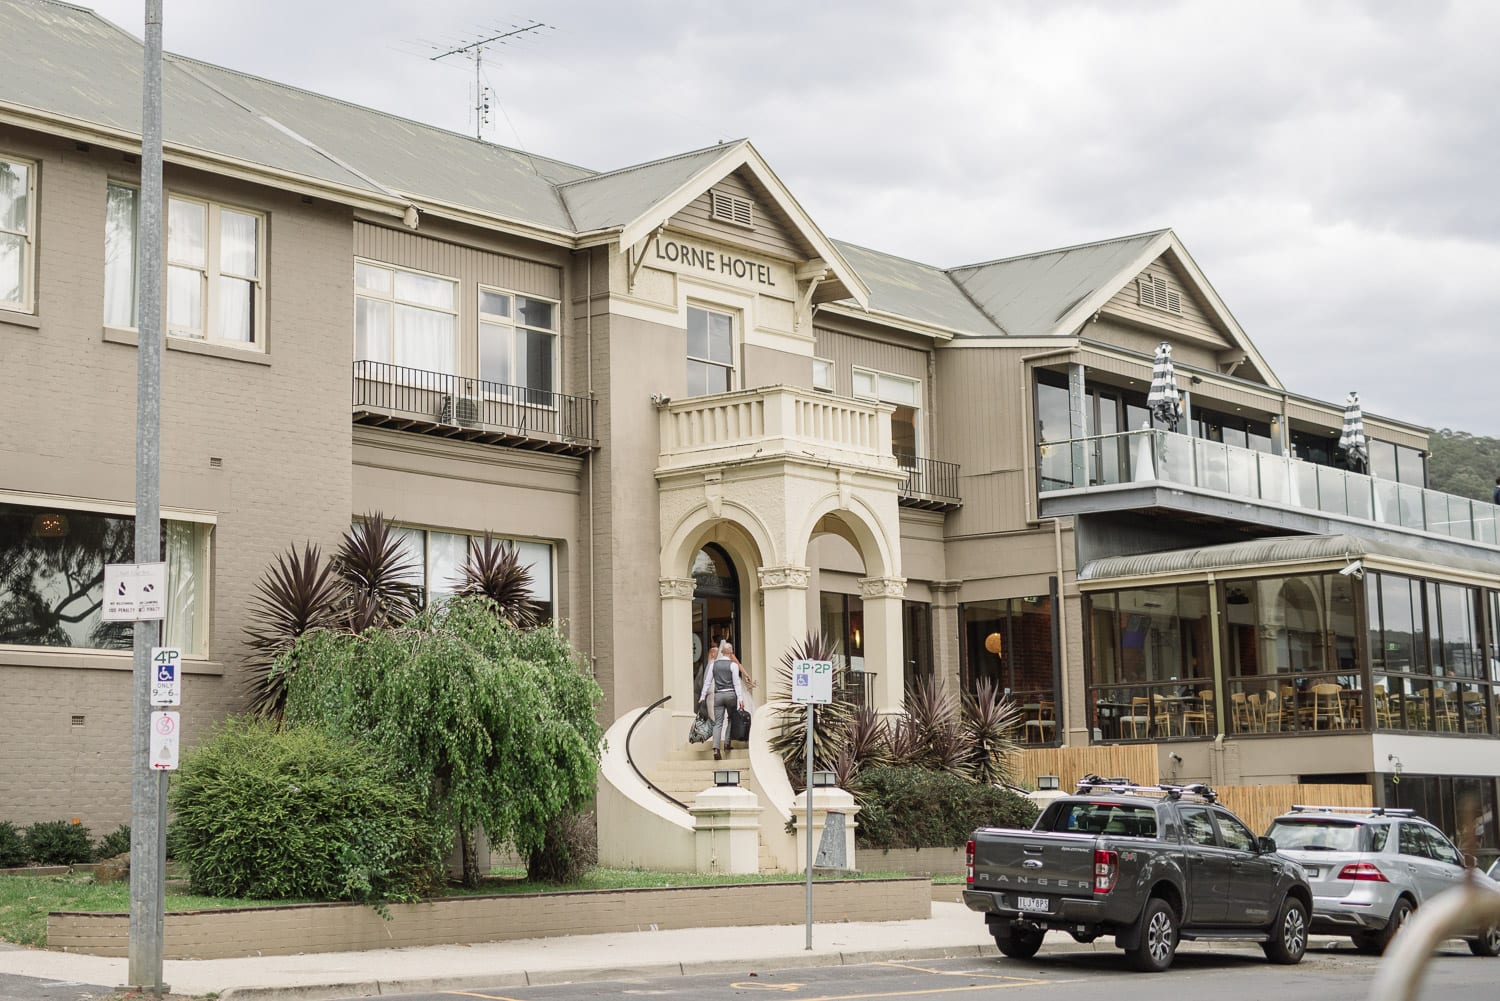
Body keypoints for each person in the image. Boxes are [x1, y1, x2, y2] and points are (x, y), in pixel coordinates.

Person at [698, 640, 746, 760]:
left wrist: (702, 696)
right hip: (730, 695)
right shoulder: (733, 665)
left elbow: (707, 682)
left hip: (718, 696)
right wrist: (740, 699)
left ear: (722, 652)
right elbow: (736, 684)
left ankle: (716, 749)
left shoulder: (714, 665)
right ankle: (727, 744)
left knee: (718, 722)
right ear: (730, 653)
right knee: (730, 719)